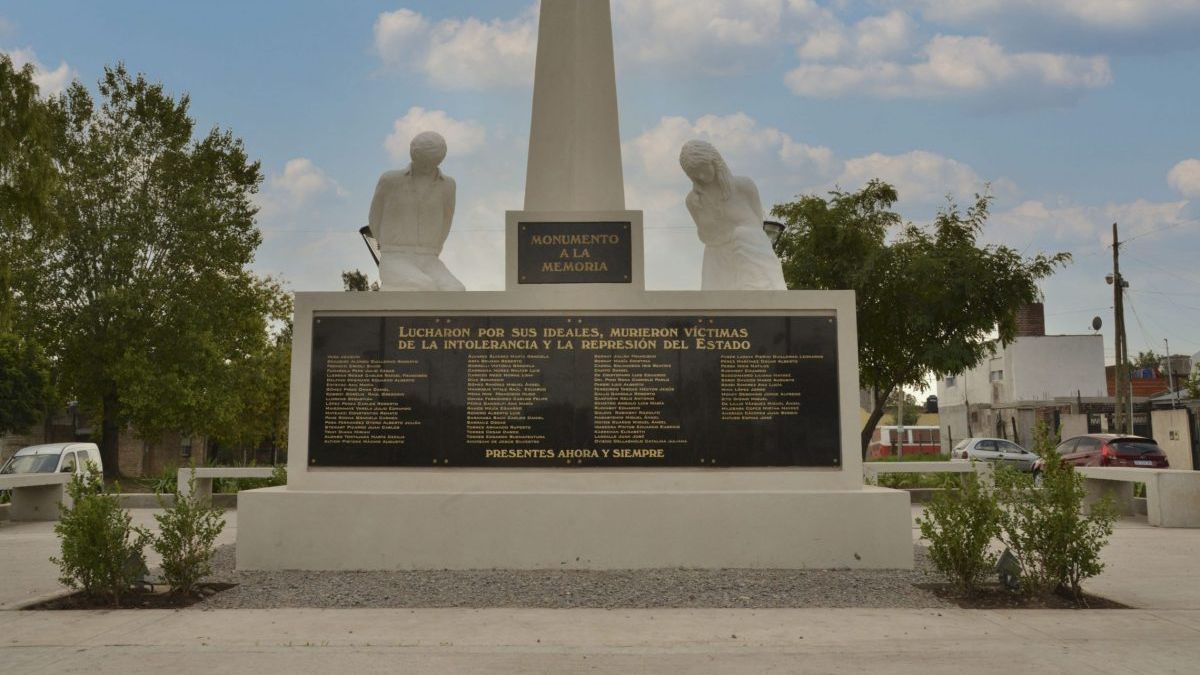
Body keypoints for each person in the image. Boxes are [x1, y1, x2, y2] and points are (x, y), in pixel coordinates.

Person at [679, 140, 786, 291]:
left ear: (714, 161)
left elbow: (757, 225)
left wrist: (742, 236)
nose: (701, 176)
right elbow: (704, 236)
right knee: (716, 304)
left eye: (704, 169)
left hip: (750, 255)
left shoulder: (744, 186)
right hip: (717, 260)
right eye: (696, 175)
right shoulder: (693, 201)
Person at [368, 131, 465, 291]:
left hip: (429, 258)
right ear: (414, 155)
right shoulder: (390, 180)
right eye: (422, 160)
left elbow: (446, 222)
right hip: (395, 256)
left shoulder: (447, 185)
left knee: (455, 290)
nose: (426, 166)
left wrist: (431, 250)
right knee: (425, 287)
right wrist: (390, 245)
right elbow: (375, 218)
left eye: (431, 161)